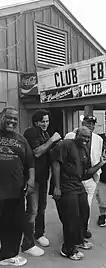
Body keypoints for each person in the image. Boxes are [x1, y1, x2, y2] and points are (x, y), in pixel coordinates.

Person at [51, 126, 106, 261]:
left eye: (88, 137)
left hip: (78, 185)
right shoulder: (66, 144)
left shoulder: (84, 149)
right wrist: (57, 187)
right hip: (65, 186)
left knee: (84, 213)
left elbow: (86, 172)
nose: (85, 139)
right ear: (76, 134)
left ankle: (79, 240)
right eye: (83, 136)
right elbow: (56, 164)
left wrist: (101, 163)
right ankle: (68, 249)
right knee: (71, 218)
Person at [21, 109, 61, 256]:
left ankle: (39, 234)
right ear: (36, 122)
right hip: (33, 178)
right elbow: (37, 152)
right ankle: (27, 243)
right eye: (42, 121)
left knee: (41, 208)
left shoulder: (45, 133)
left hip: (43, 177)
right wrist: (52, 140)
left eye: (47, 121)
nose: (45, 124)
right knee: (32, 210)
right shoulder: (31, 133)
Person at [0, 107, 35, 266]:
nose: (12, 121)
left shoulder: (21, 139)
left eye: (15, 119)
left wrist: (31, 180)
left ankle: (8, 256)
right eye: (9, 117)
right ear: (1, 117)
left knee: (14, 225)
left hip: (15, 192)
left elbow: (30, 163)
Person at [64, 115, 103, 238]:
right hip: (74, 180)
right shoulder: (70, 136)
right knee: (74, 209)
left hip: (90, 178)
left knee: (87, 207)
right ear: (82, 123)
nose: (90, 126)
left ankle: (83, 230)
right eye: (87, 123)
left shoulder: (98, 139)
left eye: (92, 124)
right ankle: (72, 233)